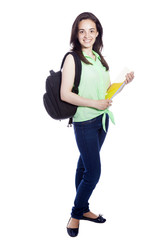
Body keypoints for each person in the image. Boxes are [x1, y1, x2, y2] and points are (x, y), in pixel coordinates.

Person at [60, 12, 134, 237]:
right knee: (93, 173)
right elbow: (65, 94)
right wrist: (95, 103)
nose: (87, 35)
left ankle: (84, 208)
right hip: (84, 122)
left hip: (102, 121)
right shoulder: (72, 58)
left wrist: (123, 85)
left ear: (97, 33)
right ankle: (76, 213)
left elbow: (105, 92)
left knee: (84, 167)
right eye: (82, 31)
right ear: (76, 33)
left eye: (91, 30)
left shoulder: (99, 57)